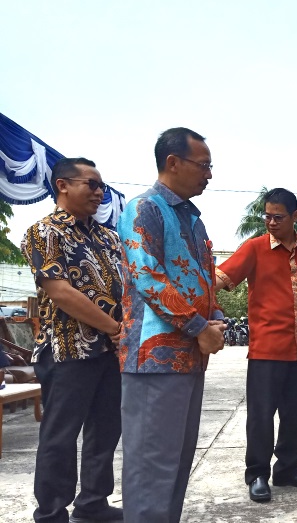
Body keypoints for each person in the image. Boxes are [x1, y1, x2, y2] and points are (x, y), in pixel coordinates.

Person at [117, 128, 226, 523]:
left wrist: (215, 319)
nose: (209, 174)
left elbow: (202, 279)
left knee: (176, 463)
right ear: (173, 163)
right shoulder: (144, 208)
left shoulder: (191, 218)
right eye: (204, 165)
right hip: (155, 359)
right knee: (152, 467)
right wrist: (199, 327)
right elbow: (148, 277)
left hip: (189, 357)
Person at [21, 158, 124, 523]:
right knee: (60, 436)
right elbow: (61, 292)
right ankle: (51, 512)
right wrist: (114, 328)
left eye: (102, 187)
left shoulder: (108, 236)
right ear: (62, 185)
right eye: (91, 184)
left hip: (110, 352)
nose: (99, 193)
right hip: (67, 350)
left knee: (105, 430)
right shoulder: (45, 232)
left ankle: (93, 502)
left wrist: (122, 333)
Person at [216, 188, 297, 503]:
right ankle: (257, 474)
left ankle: (288, 469)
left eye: (278, 217)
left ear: (295, 216)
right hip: (267, 349)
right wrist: (199, 292)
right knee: (261, 416)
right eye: (267, 216)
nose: (271, 222)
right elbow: (221, 277)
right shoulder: (254, 248)